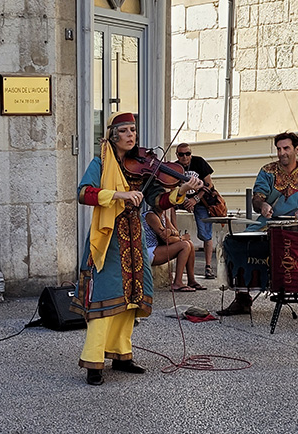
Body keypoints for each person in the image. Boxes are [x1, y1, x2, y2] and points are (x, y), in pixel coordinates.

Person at [70, 112, 202, 386]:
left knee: (131, 297)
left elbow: (159, 200)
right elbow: (84, 192)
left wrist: (183, 191)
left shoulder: (142, 168)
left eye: (133, 130)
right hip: (110, 239)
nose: (131, 135)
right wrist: (118, 195)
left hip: (135, 238)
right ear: (113, 136)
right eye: (125, 131)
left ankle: (121, 354)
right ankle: (93, 361)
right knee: (104, 298)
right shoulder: (100, 163)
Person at [218, 131, 298, 315]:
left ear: (297, 149)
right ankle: (243, 298)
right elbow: (257, 198)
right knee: (236, 242)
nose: (282, 152)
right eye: (279, 149)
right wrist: (263, 205)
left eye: (286, 148)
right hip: (268, 223)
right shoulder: (267, 171)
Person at [174, 142, 217, 279]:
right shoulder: (175, 167)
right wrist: (183, 199)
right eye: (181, 154)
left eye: (188, 154)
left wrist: (195, 199)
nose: (185, 157)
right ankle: (173, 234)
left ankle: (208, 266)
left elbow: (209, 184)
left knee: (206, 234)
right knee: (168, 208)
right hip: (182, 199)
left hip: (200, 200)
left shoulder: (199, 162)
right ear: (177, 155)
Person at [142, 207, 206, 292]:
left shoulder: (163, 216)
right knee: (185, 245)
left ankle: (191, 280)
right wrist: (181, 237)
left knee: (189, 243)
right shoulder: (151, 216)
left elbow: (175, 232)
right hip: (149, 251)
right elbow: (167, 239)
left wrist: (172, 233)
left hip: (157, 248)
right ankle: (177, 283)